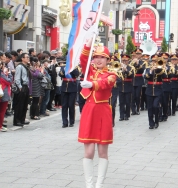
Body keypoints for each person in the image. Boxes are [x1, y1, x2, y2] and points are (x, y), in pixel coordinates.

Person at [78, 39, 116, 187]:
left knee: (102, 151)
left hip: (103, 111)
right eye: (96, 57)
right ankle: (89, 185)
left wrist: (92, 84)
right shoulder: (89, 70)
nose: (98, 60)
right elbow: (83, 58)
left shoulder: (112, 74)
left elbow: (105, 84)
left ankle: (99, 185)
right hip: (89, 111)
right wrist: (87, 44)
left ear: (107, 59)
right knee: (88, 152)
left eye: (102, 57)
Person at [144, 57, 167, 129]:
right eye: (153, 61)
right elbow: (146, 77)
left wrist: (162, 69)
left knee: (155, 106)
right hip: (149, 90)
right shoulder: (148, 69)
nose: (154, 62)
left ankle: (156, 121)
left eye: (156, 61)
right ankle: (151, 123)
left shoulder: (161, 69)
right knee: (150, 108)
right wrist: (151, 71)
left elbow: (165, 77)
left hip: (158, 90)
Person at [59, 62, 80, 128]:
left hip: (72, 87)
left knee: (71, 105)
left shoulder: (75, 67)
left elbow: (77, 74)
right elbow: (60, 74)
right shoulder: (63, 66)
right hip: (64, 88)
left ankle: (71, 121)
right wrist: (65, 69)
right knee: (64, 106)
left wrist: (72, 68)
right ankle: (64, 122)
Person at [13, 53, 31, 127]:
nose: (28, 58)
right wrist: (20, 87)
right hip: (21, 86)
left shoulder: (26, 67)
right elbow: (17, 78)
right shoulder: (19, 67)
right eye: (26, 57)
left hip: (26, 86)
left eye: (28, 57)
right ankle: (17, 120)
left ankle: (22, 119)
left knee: (25, 104)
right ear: (22, 58)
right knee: (19, 105)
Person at [117, 54, 135, 121]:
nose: (124, 61)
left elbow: (131, 75)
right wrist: (121, 70)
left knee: (128, 102)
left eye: (126, 60)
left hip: (128, 86)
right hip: (121, 86)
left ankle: (127, 115)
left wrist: (126, 70)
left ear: (128, 60)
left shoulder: (131, 67)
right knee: (121, 102)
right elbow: (117, 75)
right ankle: (121, 115)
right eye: (123, 60)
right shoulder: (119, 67)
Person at [0, 63, 13, 131]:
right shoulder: (1, 74)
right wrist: (9, 74)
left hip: (0, 93)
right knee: (2, 111)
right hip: (3, 93)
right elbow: (9, 81)